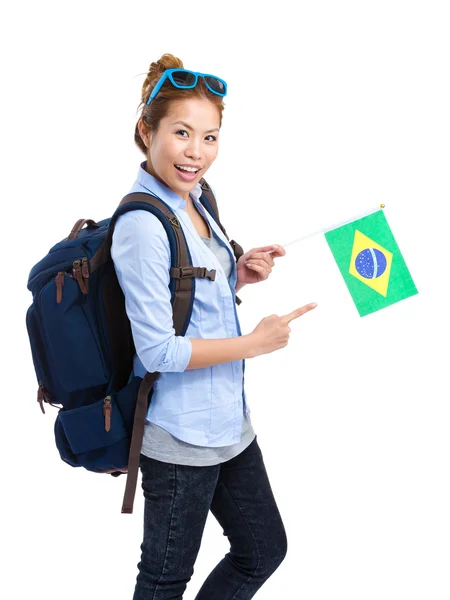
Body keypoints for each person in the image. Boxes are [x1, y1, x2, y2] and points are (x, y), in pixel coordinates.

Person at [111, 53, 317, 600]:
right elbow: (158, 350)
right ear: (146, 130)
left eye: (210, 137)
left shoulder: (199, 199)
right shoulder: (141, 225)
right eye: (181, 133)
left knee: (262, 550)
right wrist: (256, 343)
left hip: (229, 424)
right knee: (163, 581)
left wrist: (240, 277)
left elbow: (193, 298)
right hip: (178, 436)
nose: (196, 153)